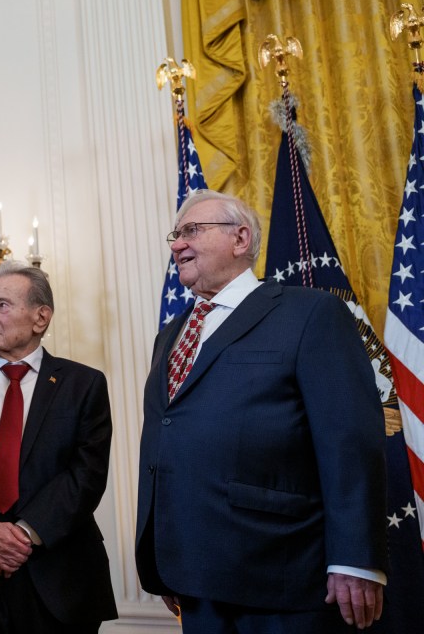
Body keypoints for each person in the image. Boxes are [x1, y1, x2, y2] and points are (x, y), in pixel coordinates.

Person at [136, 189, 387, 633]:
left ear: (240, 238)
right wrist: (162, 547)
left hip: (282, 571)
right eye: (175, 234)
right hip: (191, 573)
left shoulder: (310, 313)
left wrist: (356, 557)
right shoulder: (170, 336)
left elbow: (348, 438)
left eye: (192, 230)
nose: (176, 245)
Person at [0, 262, 117, 633]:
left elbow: (86, 477)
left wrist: (18, 539)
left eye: (2, 305)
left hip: (60, 578)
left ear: (40, 317)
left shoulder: (84, 385)